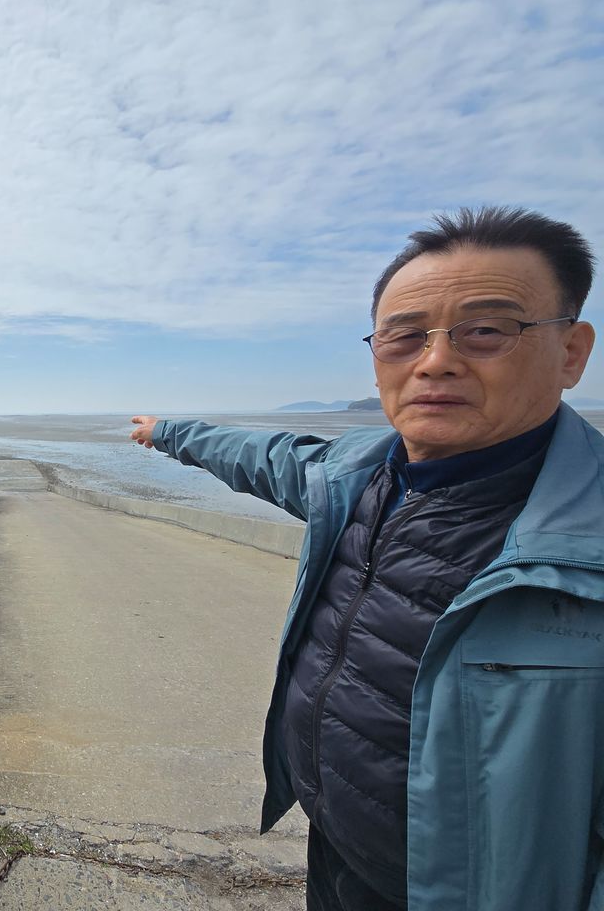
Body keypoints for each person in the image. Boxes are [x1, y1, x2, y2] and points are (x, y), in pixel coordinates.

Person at [129, 206, 603, 911]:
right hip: (338, 854)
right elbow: (259, 455)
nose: (435, 360)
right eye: (404, 336)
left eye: (485, 330)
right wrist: (167, 431)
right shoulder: (355, 477)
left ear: (571, 352)